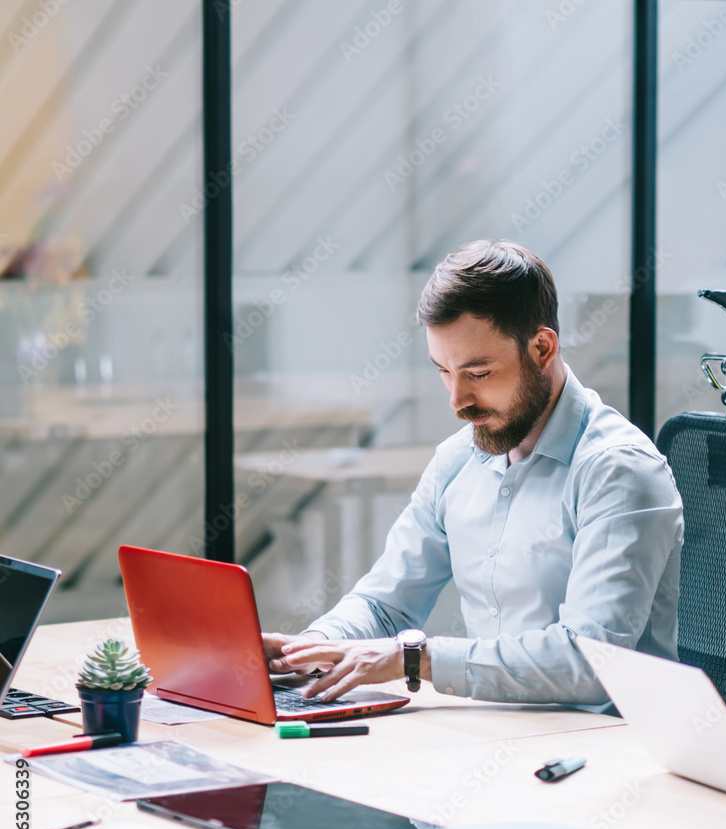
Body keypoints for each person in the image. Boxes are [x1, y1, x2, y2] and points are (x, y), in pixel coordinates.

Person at [263, 240, 684, 711]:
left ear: (542, 347)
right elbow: (387, 604)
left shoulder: (618, 471)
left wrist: (417, 660)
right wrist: (307, 650)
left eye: (478, 373)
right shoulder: (456, 461)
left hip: (601, 752)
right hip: (487, 736)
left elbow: (589, 663)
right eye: (444, 371)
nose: (456, 400)